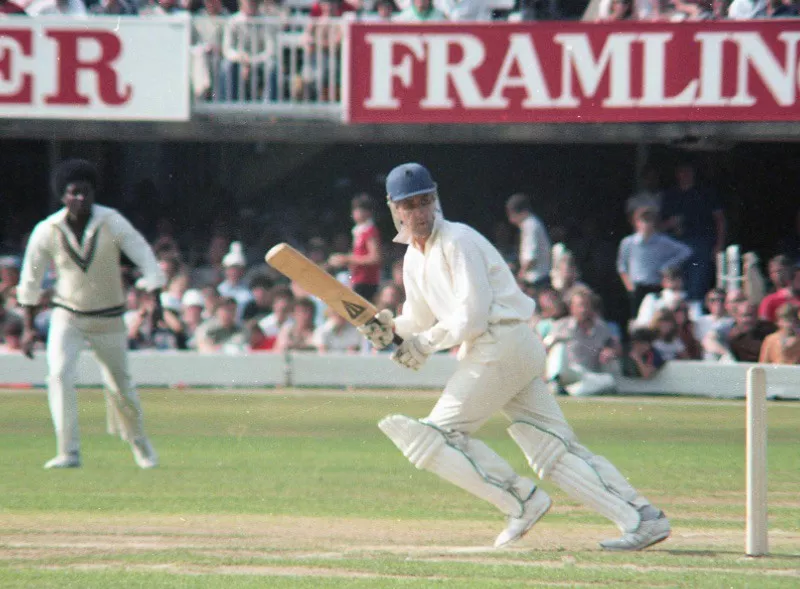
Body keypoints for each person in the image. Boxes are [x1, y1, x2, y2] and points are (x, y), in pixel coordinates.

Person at [359, 163, 670, 551]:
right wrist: (389, 328)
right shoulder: (412, 258)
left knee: (435, 437)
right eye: (410, 205)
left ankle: (520, 500)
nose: (419, 212)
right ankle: (641, 517)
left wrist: (423, 345)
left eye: (425, 202)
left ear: (435, 200)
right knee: (552, 449)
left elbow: (471, 317)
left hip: (500, 342)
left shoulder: (458, 240)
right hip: (504, 349)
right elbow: (419, 318)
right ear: (395, 209)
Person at [16, 159, 164, 470]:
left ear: (93, 193)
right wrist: (28, 329)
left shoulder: (111, 221)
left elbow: (144, 256)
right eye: (74, 193)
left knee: (120, 384)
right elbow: (30, 279)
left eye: (86, 193)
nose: (81, 199)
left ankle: (139, 442)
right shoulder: (48, 229)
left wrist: (154, 295)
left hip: (109, 318)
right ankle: (68, 451)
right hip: (67, 315)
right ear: (63, 196)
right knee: (58, 374)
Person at [617, 205, 692, 321]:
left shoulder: (662, 241)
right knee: (638, 320)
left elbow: (686, 251)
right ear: (636, 223)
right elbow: (622, 267)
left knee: (658, 319)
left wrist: (667, 266)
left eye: (649, 220)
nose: (646, 224)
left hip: (656, 286)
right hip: (637, 288)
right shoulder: (628, 243)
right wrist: (630, 287)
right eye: (643, 221)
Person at [328, 193, 383, 302]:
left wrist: (347, 259)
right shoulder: (359, 231)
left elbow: (375, 257)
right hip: (358, 279)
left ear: (368, 212)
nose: (356, 214)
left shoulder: (369, 231)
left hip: (367, 281)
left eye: (360, 210)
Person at [505, 193, 552, 292]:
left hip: (537, 280)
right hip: (541, 277)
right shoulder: (534, 222)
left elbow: (531, 258)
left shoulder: (529, 226)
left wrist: (519, 276)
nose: (510, 220)